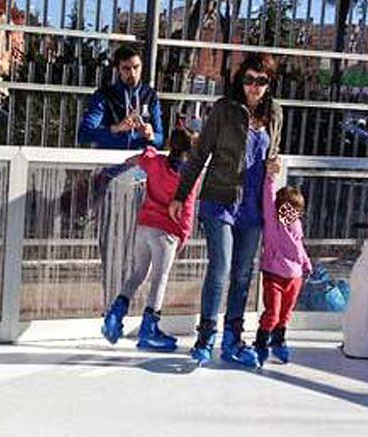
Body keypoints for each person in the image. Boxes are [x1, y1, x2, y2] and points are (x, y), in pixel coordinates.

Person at [169, 53, 283, 367]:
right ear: (239, 80)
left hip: (253, 206)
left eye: (261, 81)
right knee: (220, 268)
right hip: (220, 199)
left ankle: (234, 338)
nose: (254, 87)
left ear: (268, 83)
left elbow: (272, 154)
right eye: (249, 79)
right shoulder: (224, 109)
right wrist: (181, 195)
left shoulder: (275, 114)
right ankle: (206, 337)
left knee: (244, 274)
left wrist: (274, 164)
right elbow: (199, 153)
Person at [101, 128, 200, 350]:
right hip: (166, 233)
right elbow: (188, 209)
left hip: (144, 226)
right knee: (159, 279)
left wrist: (147, 156)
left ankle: (114, 316)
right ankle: (149, 329)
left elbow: (134, 159)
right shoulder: (189, 177)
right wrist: (183, 235)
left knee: (138, 273)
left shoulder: (155, 162)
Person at [253, 158, 311, 366]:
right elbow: (268, 199)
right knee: (272, 314)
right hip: (274, 275)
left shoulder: (296, 225)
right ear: (280, 209)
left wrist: (306, 263)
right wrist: (270, 177)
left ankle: (279, 341)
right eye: (289, 209)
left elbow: (299, 246)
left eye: (296, 210)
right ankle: (260, 343)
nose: (292, 214)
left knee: (285, 315)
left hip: (294, 277)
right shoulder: (273, 222)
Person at [77, 45, 164, 150]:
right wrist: (116, 128)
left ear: (142, 66)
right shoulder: (104, 95)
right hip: (110, 159)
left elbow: (160, 138)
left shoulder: (150, 95)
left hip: (140, 160)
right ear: (118, 69)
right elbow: (84, 134)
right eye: (126, 68)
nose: (132, 73)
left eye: (136, 67)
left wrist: (151, 136)